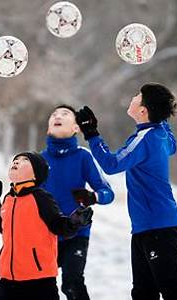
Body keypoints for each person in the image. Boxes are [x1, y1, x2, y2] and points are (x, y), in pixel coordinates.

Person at [75, 83, 177, 300]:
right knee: (143, 293)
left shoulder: (146, 137)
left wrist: (91, 134)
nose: (133, 97)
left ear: (143, 110)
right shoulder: (160, 134)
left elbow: (112, 164)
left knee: (174, 292)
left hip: (157, 226)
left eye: (138, 96)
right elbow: (173, 145)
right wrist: (162, 116)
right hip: (147, 226)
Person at [0, 151, 94, 300]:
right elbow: (4, 228)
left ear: (35, 174)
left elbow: (58, 225)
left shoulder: (40, 197)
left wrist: (74, 222)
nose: (17, 162)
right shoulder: (9, 198)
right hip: (8, 279)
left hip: (38, 281)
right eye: (16, 159)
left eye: (25, 160)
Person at [41, 104, 115, 300]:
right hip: (45, 235)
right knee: (40, 287)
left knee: (72, 284)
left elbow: (108, 192)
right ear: (48, 128)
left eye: (65, 114)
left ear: (76, 128)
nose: (58, 116)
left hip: (77, 233)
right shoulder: (38, 160)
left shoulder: (83, 156)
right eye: (54, 114)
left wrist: (93, 197)